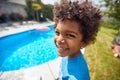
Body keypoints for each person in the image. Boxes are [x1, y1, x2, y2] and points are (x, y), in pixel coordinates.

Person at [53, 0, 102, 80]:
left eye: (70, 35)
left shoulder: (76, 77)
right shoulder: (68, 53)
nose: (59, 40)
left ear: (84, 42)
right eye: (57, 32)